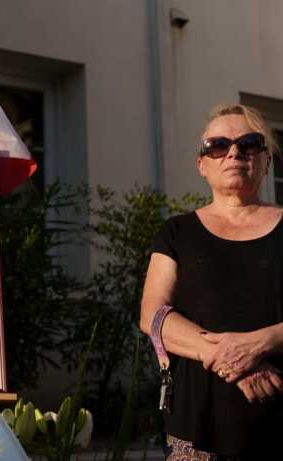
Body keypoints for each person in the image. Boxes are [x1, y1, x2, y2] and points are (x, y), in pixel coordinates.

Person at [140, 104, 283, 459]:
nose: (234, 152)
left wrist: (260, 344)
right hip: (200, 423)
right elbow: (154, 316)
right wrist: (226, 356)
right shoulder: (177, 232)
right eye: (218, 145)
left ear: (266, 160)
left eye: (249, 143)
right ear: (202, 165)